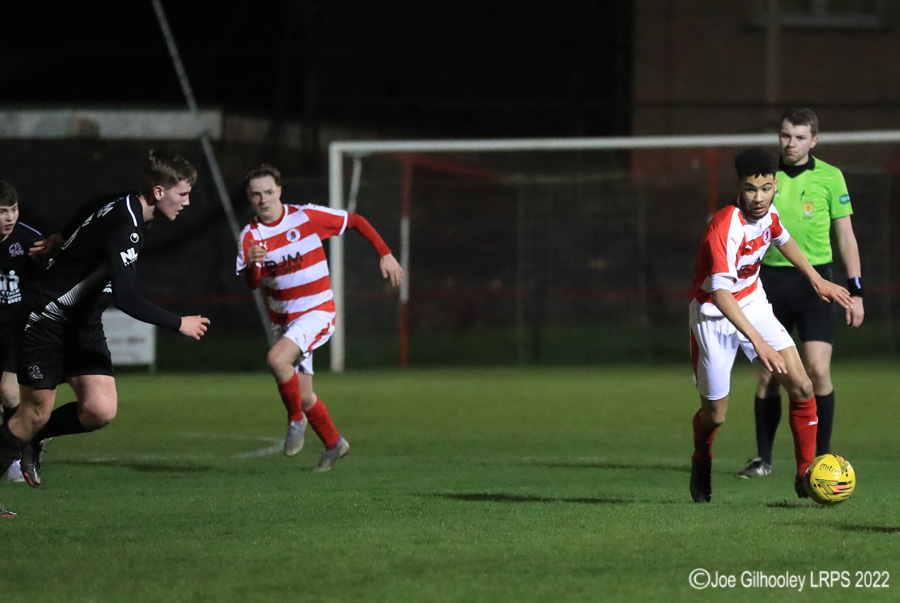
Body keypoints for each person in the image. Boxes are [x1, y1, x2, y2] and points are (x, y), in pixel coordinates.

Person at [0, 150, 210, 515]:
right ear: (159, 191)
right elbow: (127, 297)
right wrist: (180, 323)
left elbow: (93, 202)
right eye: (183, 193)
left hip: (82, 323)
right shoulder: (127, 226)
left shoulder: (126, 201)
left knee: (100, 410)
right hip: (47, 319)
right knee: (31, 414)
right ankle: (30, 436)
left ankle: (38, 437)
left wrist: (59, 236)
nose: (187, 202)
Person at [688, 147, 851, 503]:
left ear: (774, 184)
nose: (759, 198)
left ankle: (805, 474)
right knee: (715, 416)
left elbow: (782, 238)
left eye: (765, 189)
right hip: (714, 315)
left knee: (803, 386)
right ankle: (702, 456)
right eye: (750, 189)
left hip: (752, 302)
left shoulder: (768, 212)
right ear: (739, 186)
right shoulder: (725, 225)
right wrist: (760, 345)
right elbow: (721, 295)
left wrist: (815, 279)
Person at [236, 164, 403, 471]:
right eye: (256, 195)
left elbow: (354, 221)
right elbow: (252, 283)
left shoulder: (306, 217)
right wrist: (252, 265)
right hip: (284, 322)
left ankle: (295, 420)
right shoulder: (250, 236)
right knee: (304, 394)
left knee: (276, 361)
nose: (263, 200)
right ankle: (334, 444)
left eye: (269, 193)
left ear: (280, 192)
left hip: (317, 311)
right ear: (249, 198)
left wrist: (385, 252)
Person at [738, 109, 864, 479]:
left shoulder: (830, 177)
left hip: (817, 284)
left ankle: (820, 463)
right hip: (769, 284)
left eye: (798, 137)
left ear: (814, 141)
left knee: (818, 371)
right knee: (769, 374)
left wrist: (855, 291)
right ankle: (763, 459)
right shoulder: (765, 177)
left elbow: (846, 237)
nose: (790, 144)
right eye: (785, 136)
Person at [0, 181, 44, 486]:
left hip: (18, 330)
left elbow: (49, 284)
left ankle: (20, 457)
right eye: (2, 211)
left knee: (7, 390)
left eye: (13, 209)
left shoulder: (29, 241)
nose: (9, 217)